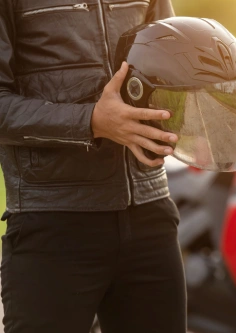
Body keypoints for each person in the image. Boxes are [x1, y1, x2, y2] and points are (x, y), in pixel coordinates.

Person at [0, 1, 194, 332]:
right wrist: (91, 121)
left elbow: (175, 66)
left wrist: (215, 102)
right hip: (52, 223)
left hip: (151, 213)